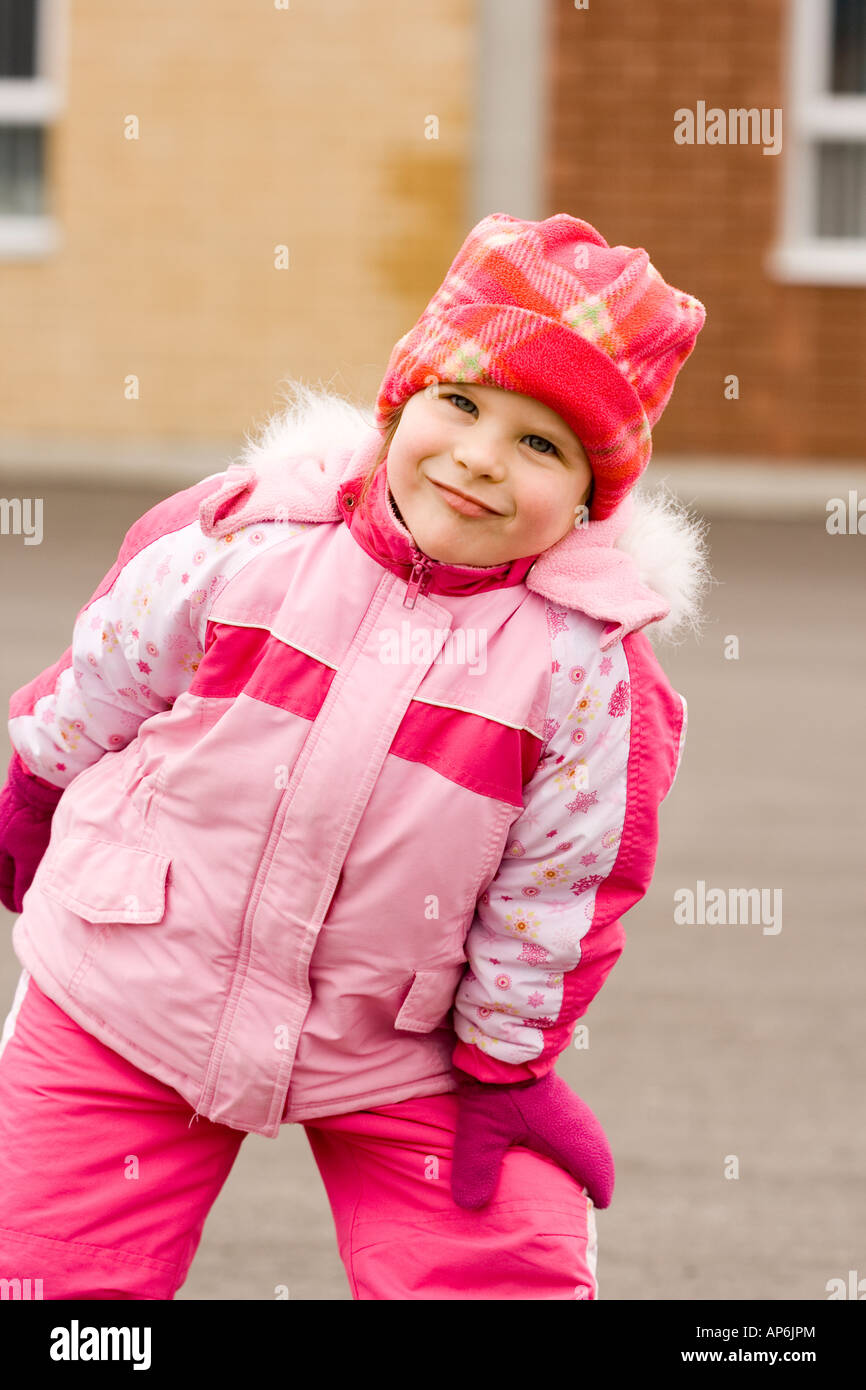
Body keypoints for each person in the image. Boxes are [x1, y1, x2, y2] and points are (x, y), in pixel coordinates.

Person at [0, 212, 710, 1300]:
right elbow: (106, 672)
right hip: (135, 984)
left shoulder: (583, 672)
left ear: (588, 498)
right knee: (47, 1273)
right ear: (400, 403)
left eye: (539, 443)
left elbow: (559, 887)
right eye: (459, 404)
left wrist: (503, 1065)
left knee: (499, 1270)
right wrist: (31, 793)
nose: (477, 458)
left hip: (402, 1044)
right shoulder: (250, 540)